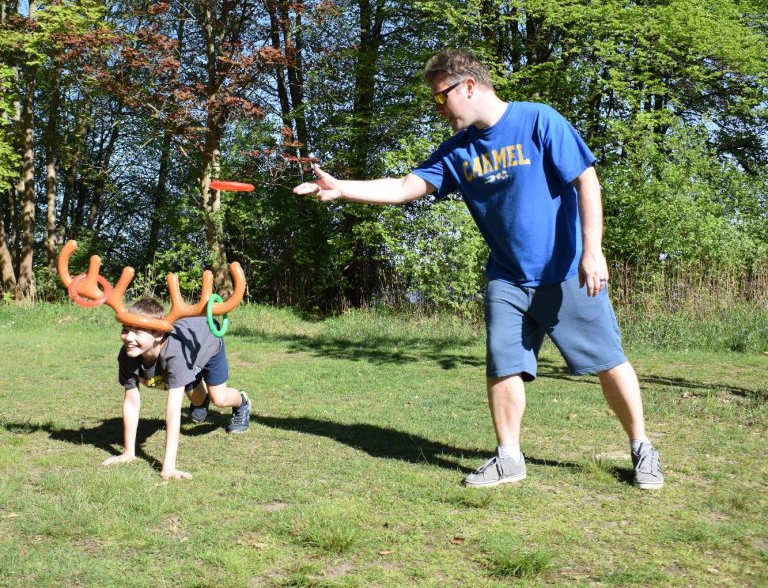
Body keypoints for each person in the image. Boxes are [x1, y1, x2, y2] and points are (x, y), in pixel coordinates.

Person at [293, 49, 663, 490]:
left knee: (608, 362)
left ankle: (642, 448)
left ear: (468, 86)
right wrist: (342, 189)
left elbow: (586, 180)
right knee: (503, 365)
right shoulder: (458, 150)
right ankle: (509, 458)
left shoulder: (538, 120)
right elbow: (404, 187)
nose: (438, 108)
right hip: (506, 278)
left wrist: (593, 251)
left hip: (566, 271)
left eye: (441, 97)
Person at [103, 297, 251, 480]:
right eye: (125, 329)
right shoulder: (127, 355)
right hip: (187, 356)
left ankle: (242, 402)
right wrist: (128, 452)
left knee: (219, 399)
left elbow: (173, 411)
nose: (128, 338)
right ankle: (196, 393)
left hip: (207, 340)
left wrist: (168, 467)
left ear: (158, 334)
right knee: (196, 399)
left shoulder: (174, 354)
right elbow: (132, 402)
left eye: (137, 332)